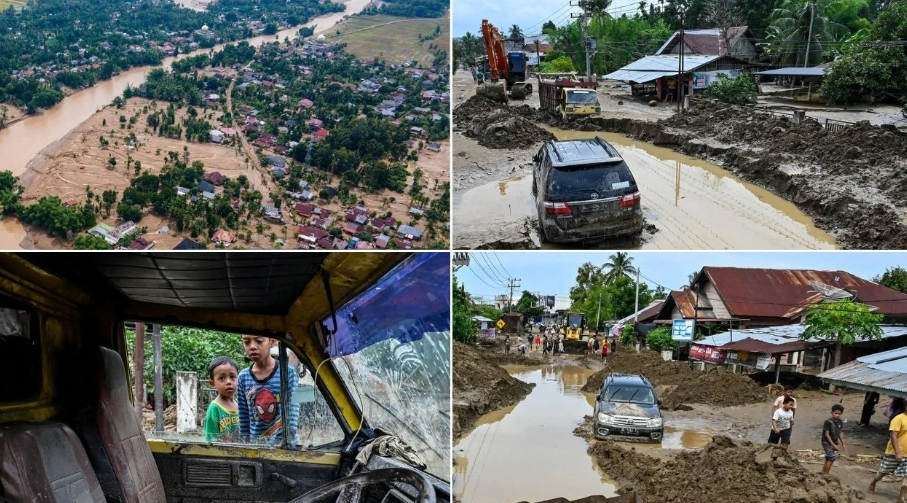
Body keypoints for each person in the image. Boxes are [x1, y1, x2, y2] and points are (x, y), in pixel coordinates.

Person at [237, 335, 299, 445]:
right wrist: (245, 445)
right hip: (257, 448)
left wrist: (284, 443)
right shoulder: (243, 377)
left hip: (285, 447)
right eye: (246, 342)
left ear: (273, 341)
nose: (252, 346)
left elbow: (292, 416)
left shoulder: (287, 372)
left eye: (259, 341)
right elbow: (244, 421)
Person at [870, 402, 907, 499]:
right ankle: (873, 483)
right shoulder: (898, 419)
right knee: (883, 471)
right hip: (894, 452)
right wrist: (897, 452)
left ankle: (901, 497)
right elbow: (893, 436)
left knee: (906, 475)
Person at [204, 356, 240, 443]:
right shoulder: (214, 409)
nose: (228, 382)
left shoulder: (239, 404)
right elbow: (211, 440)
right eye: (222, 378)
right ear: (213, 383)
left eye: (232, 377)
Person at [822, 404, 846, 474]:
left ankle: (823, 473)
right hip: (826, 442)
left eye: (839, 414)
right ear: (832, 412)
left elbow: (840, 433)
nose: (837, 415)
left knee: (828, 458)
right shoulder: (828, 422)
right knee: (832, 457)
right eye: (836, 413)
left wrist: (843, 443)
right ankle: (826, 474)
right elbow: (826, 434)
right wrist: (833, 445)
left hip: (834, 441)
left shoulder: (840, 422)